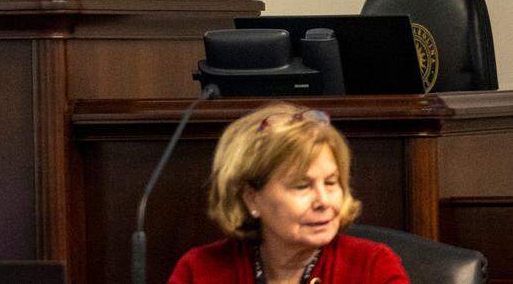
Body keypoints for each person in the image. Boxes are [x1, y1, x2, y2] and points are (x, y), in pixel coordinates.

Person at [167, 102, 409, 284]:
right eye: (302, 186)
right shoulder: (200, 270)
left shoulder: (372, 267)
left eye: (331, 182)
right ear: (252, 198)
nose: (323, 201)